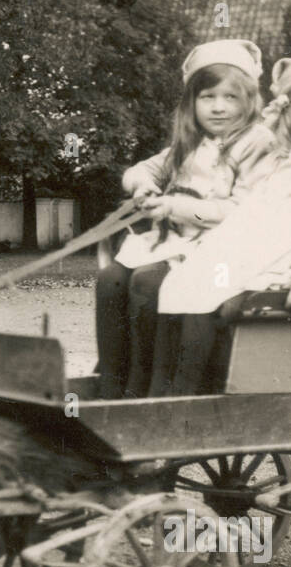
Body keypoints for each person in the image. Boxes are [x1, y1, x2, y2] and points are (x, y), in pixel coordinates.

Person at [152, 55, 291, 395]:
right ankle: (161, 392)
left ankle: (183, 399)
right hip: (258, 253)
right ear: (285, 112)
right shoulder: (284, 152)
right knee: (178, 284)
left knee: (204, 301)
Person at [95, 39, 277, 398]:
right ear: (192, 102)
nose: (219, 108)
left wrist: (171, 207)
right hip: (178, 243)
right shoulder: (191, 143)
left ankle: (145, 391)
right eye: (208, 97)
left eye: (231, 98)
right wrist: (144, 187)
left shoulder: (257, 143)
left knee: (147, 282)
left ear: (249, 101)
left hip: (223, 249)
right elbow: (138, 171)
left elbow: (240, 212)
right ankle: (111, 382)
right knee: (111, 278)